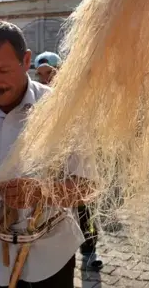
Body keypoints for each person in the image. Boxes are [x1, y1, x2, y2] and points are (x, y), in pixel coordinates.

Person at [0, 21, 95, 288]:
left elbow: (87, 186)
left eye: (3, 70)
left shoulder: (63, 109)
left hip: (49, 260)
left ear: (26, 61)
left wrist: (41, 192)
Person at [34, 51, 104, 271]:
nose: (46, 78)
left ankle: (90, 249)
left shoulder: (76, 92)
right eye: (41, 74)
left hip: (79, 158)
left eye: (50, 72)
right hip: (54, 162)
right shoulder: (39, 97)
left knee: (85, 207)